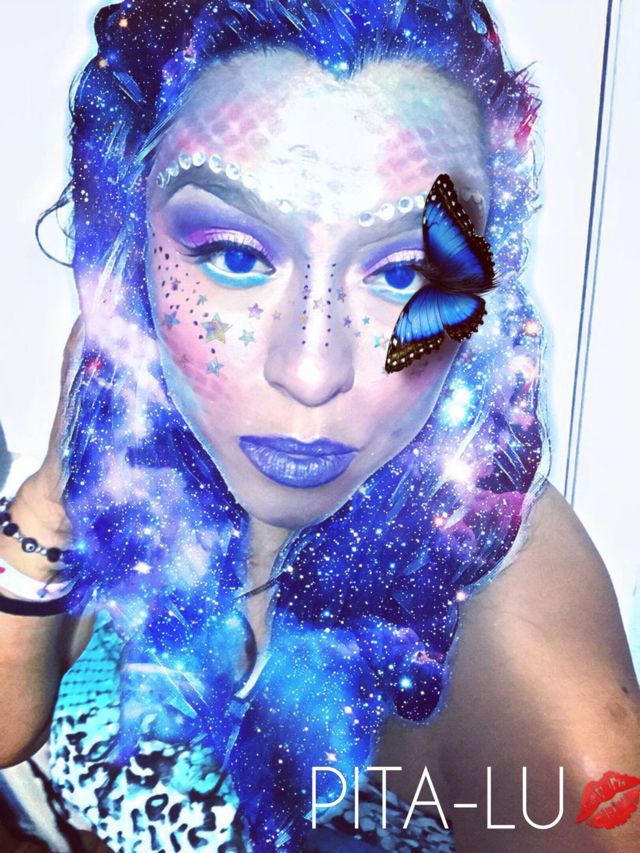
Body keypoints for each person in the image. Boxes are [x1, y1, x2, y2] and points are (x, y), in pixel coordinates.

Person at [0, 1, 638, 851]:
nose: (311, 370)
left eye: (404, 272)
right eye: (236, 255)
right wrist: (53, 489)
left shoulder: (514, 629)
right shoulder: (140, 424)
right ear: (127, 240)